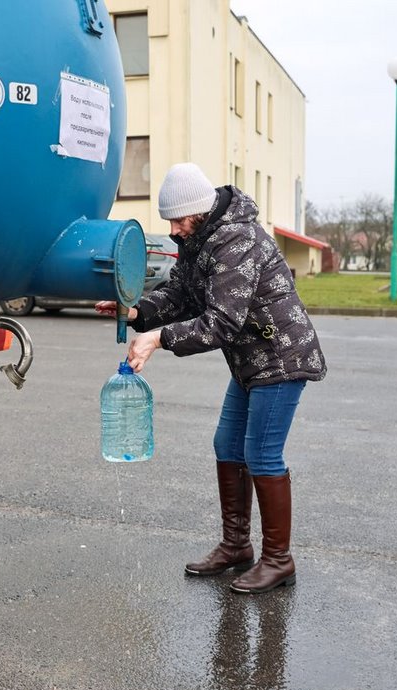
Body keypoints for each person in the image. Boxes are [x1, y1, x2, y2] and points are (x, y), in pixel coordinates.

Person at [96, 162, 326, 595]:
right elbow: (181, 294)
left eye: (179, 220)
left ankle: (279, 560)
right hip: (248, 362)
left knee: (262, 454)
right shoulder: (198, 238)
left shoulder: (237, 240)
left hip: (279, 358)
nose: (175, 229)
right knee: (227, 445)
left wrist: (157, 339)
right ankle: (237, 546)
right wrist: (137, 312)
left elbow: (222, 321)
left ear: (199, 210)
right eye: (170, 221)